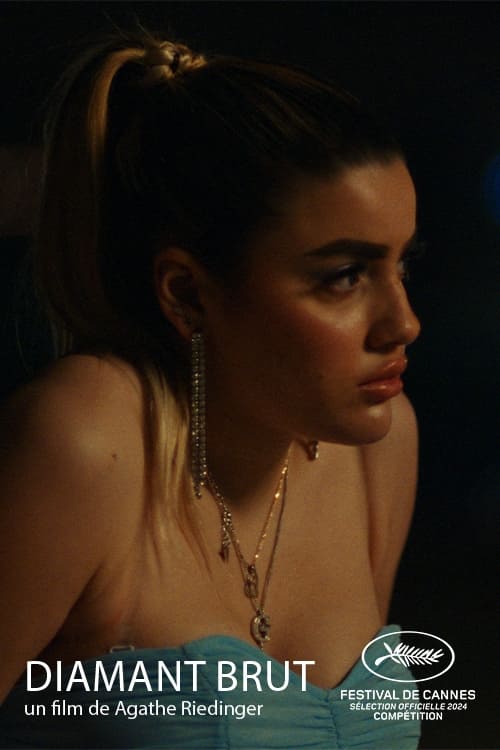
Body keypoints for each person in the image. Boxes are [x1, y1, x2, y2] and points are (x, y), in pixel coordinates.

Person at [0, 29, 422, 749]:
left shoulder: (375, 444)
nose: (403, 323)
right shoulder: (84, 442)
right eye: (344, 276)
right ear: (188, 294)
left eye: (401, 265)